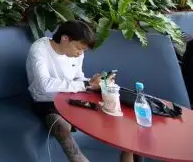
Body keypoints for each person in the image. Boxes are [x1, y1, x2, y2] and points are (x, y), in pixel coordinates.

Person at [27, 21, 134, 162]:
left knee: (122, 112)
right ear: (65, 38)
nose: (80, 54)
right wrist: (86, 84)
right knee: (59, 123)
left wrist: (94, 83)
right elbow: (44, 85)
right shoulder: (40, 49)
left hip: (71, 97)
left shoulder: (76, 55)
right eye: (78, 48)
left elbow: (78, 78)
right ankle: (78, 159)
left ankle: (129, 149)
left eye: (83, 50)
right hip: (46, 100)